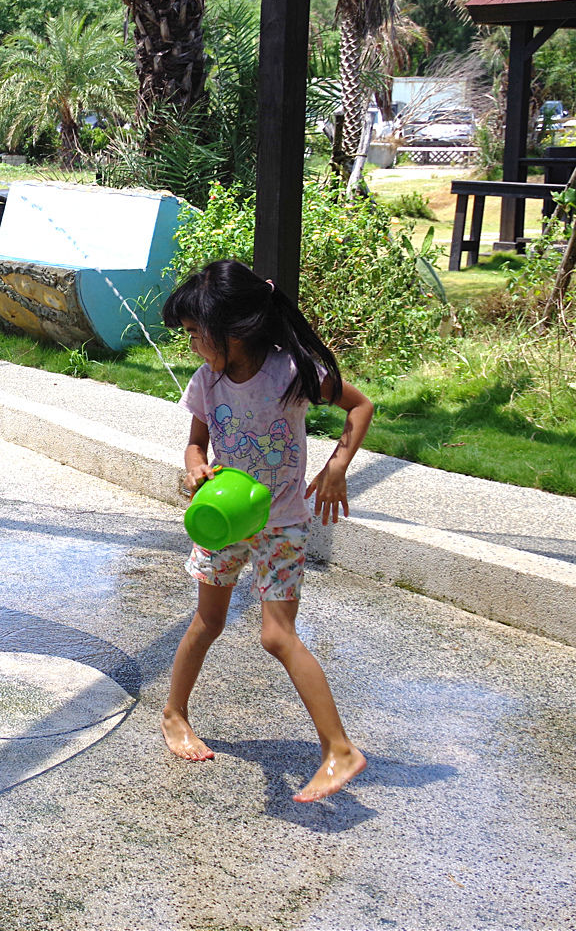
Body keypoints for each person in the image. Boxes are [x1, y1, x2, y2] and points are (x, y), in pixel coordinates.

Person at [160, 259, 374, 803]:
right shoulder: (207, 381)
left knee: (276, 635)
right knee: (207, 620)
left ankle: (340, 750)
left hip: (281, 525)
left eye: (194, 333)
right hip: (224, 518)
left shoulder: (289, 372)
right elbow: (195, 444)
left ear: (233, 330)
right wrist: (195, 469)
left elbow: (360, 406)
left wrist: (336, 467)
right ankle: (174, 715)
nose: (191, 344)